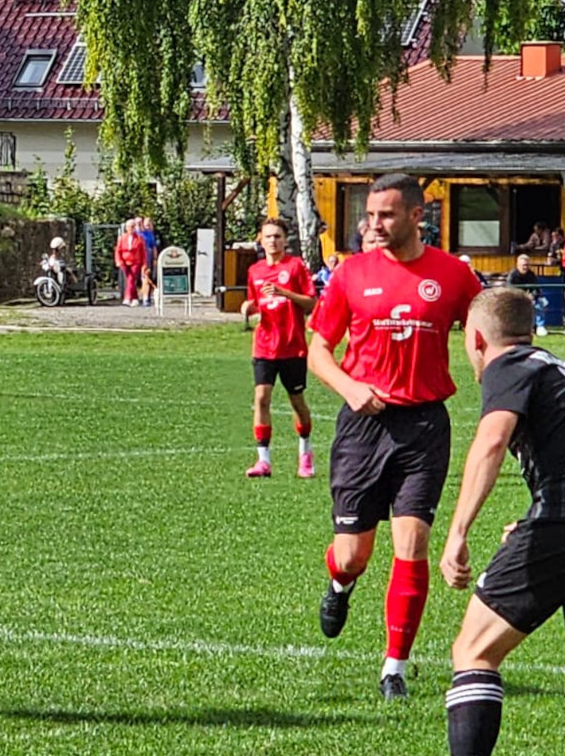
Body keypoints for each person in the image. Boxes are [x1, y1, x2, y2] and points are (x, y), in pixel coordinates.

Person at [307, 173, 481, 700]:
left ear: (415, 216)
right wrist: (350, 387)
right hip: (363, 426)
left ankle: (394, 669)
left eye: (385, 215)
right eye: (370, 215)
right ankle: (340, 583)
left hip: (424, 426)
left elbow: (483, 334)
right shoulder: (350, 273)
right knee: (353, 555)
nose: (374, 224)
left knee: (412, 543)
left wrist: (496, 378)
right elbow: (319, 350)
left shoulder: (453, 275)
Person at [439, 288, 565, 756]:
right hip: (555, 518)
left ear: (476, 338)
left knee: (474, 651)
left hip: (559, 517)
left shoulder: (508, 365)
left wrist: (457, 532)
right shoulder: (553, 367)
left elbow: (491, 441)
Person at [240, 218, 317, 478]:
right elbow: (257, 302)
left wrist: (285, 293)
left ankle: (305, 454)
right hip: (264, 346)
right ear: (261, 240)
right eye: (268, 236)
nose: (273, 241)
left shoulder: (295, 267)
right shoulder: (255, 271)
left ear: (285, 240)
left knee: (297, 401)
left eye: (277, 236)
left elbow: (311, 303)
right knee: (261, 398)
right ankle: (263, 461)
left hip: (292, 346)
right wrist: (249, 308)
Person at [505, 254, 548, 337]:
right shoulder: (512, 275)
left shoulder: (531, 274)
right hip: (516, 298)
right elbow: (510, 288)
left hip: (530, 298)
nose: (525, 267)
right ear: (518, 265)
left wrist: (533, 295)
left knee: (541, 302)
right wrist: (523, 295)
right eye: (523, 265)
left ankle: (540, 326)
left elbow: (536, 289)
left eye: (527, 265)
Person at [114, 218, 146, 307]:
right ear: (126, 228)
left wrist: (144, 264)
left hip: (136, 262)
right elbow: (118, 250)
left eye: (133, 226)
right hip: (124, 262)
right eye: (129, 227)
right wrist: (118, 261)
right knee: (129, 280)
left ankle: (127, 298)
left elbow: (143, 252)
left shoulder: (140, 238)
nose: (131, 228)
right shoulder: (122, 238)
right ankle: (135, 298)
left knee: (131, 279)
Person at [137, 217, 159, 307]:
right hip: (135, 260)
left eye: (140, 223)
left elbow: (153, 247)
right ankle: (135, 298)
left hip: (146, 259)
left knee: (145, 278)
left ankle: (146, 298)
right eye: (137, 223)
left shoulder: (148, 234)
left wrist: (155, 258)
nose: (138, 225)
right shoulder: (134, 234)